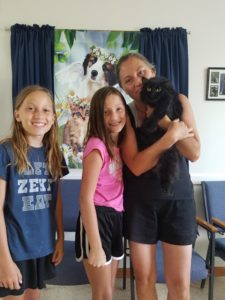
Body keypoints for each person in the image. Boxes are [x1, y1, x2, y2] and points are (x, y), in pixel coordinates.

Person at [116, 53, 201, 300]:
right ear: (124, 88)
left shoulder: (180, 101)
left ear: (153, 71)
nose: (138, 81)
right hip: (140, 204)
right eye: (128, 80)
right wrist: (171, 136)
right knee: (144, 279)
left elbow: (194, 152)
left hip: (179, 201)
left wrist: (164, 122)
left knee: (179, 284)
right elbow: (137, 166)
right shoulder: (127, 115)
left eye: (141, 72)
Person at [0, 85, 68, 300]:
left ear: (53, 117)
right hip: (13, 249)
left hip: (42, 245)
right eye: (31, 108)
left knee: (33, 296)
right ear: (17, 114)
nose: (39, 115)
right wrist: (4, 260)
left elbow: (56, 200)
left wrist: (59, 238)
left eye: (46, 110)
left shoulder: (54, 154)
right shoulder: (5, 152)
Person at [75, 86, 128, 300]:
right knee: (103, 294)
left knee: (109, 292)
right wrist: (95, 246)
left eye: (118, 108)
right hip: (96, 218)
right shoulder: (97, 146)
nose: (114, 116)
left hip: (116, 217)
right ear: (97, 115)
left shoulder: (120, 144)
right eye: (106, 112)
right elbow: (85, 198)